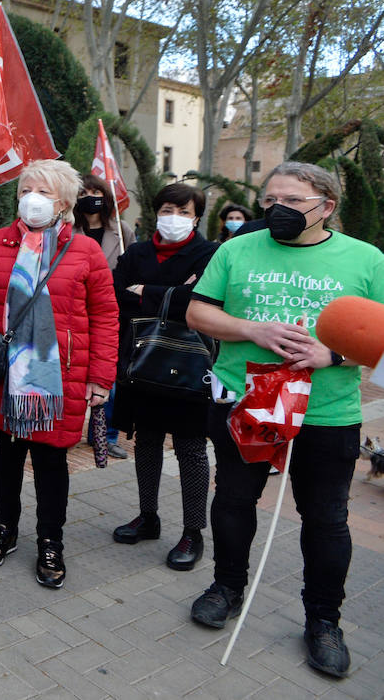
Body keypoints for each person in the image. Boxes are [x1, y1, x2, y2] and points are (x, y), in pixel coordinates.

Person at [186, 162, 384, 678]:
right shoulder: (235, 250)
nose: (278, 209)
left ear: (326, 206)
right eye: (270, 199)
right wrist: (254, 329)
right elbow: (198, 312)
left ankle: (323, 620)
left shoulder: (367, 260)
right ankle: (227, 587)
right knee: (232, 500)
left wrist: (333, 356)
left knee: (326, 521)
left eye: (293, 201)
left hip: (325, 413)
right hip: (245, 402)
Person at [0, 159, 119, 589]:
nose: (30, 199)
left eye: (40, 191)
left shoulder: (86, 251)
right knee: (5, 456)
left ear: (62, 201)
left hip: (57, 378)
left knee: (50, 464)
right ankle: (4, 528)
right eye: (24, 190)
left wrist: (100, 377)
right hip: (6, 375)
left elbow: (106, 317)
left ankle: (50, 542)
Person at [110, 183, 217, 571]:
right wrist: (171, 293)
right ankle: (147, 516)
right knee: (148, 442)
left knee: (190, 450)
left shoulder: (210, 253)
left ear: (196, 216)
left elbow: (201, 302)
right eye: (168, 209)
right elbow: (118, 294)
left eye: (183, 211)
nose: (174, 217)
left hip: (188, 364)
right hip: (141, 363)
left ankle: (193, 531)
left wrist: (147, 292)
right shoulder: (135, 251)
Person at [76, 173, 135, 458]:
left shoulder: (122, 231)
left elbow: (133, 268)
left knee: (107, 375)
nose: (89, 197)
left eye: (95, 191)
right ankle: (70, 429)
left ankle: (105, 434)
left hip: (111, 313)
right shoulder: (68, 229)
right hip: (74, 312)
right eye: (83, 192)